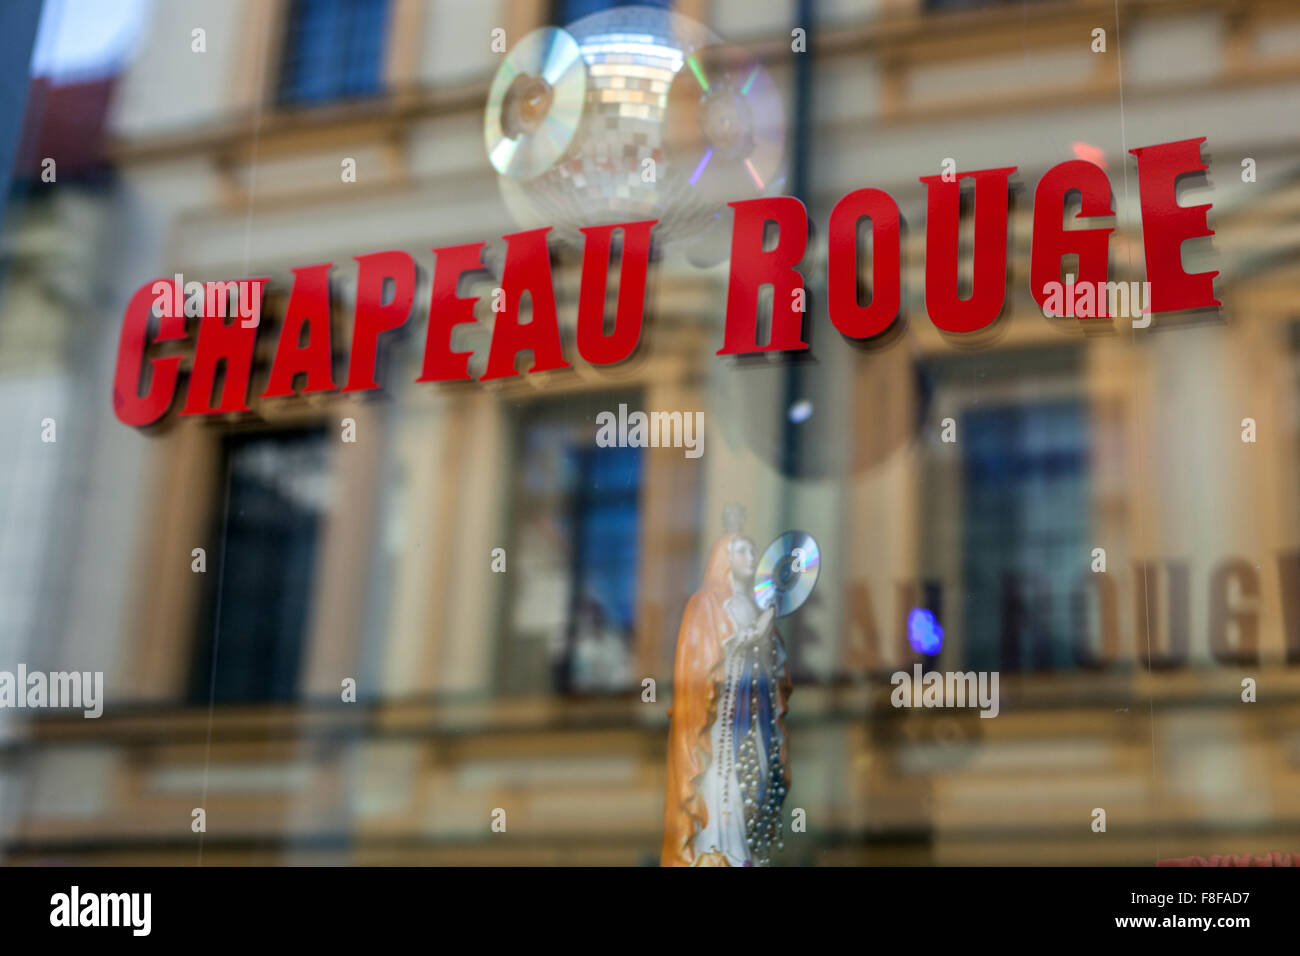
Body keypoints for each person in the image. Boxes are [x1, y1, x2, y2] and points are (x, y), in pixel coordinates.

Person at [661, 505, 791, 866]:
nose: (751, 556)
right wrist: (750, 636)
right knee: (725, 783)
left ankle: (744, 852)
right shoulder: (705, 605)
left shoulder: (755, 605)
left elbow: (774, 670)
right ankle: (721, 852)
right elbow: (702, 663)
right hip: (720, 723)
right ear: (725, 558)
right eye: (742, 550)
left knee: (756, 782)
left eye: (752, 550)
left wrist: (769, 640)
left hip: (754, 717)